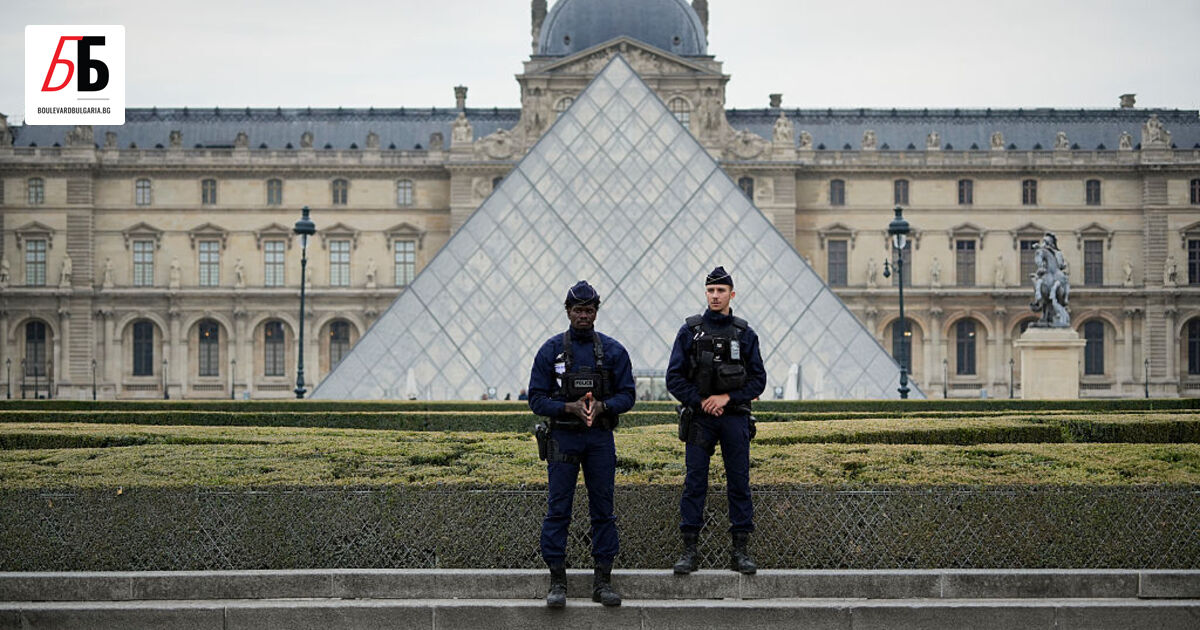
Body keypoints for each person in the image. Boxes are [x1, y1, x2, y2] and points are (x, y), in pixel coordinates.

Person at [528, 280, 635, 608]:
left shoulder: (614, 351)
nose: (583, 316)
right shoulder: (550, 351)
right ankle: (557, 581)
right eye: (578, 310)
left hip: (599, 437)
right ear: (568, 311)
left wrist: (603, 406)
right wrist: (568, 408)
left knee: (603, 509)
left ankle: (602, 582)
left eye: (589, 310)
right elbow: (536, 398)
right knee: (558, 509)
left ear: (596, 312)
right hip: (563, 436)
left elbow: (628, 395)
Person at [666, 266, 766, 575]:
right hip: (700, 419)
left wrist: (726, 398)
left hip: (734, 418)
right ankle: (689, 551)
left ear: (732, 294)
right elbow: (674, 379)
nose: (715, 295)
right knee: (694, 483)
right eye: (710, 290)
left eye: (721, 290)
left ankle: (740, 552)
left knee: (739, 483)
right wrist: (701, 401)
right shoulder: (689, 332)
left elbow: (759, 381)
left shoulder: (745, 334)